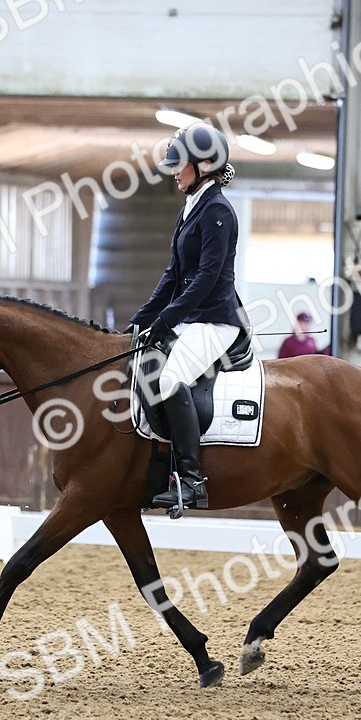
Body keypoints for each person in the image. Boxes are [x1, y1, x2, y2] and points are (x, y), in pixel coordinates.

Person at [128, 124, 247, 511]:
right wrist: (141, 318)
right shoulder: (191, 208)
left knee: (168, 378)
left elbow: (205, 279)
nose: (174, 171)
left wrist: (164, 320)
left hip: (215, 321)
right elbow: (173, 274)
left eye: (180, 164)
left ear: (207, 165)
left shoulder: (218, 211)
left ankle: (193, 481)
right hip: (189, 318)